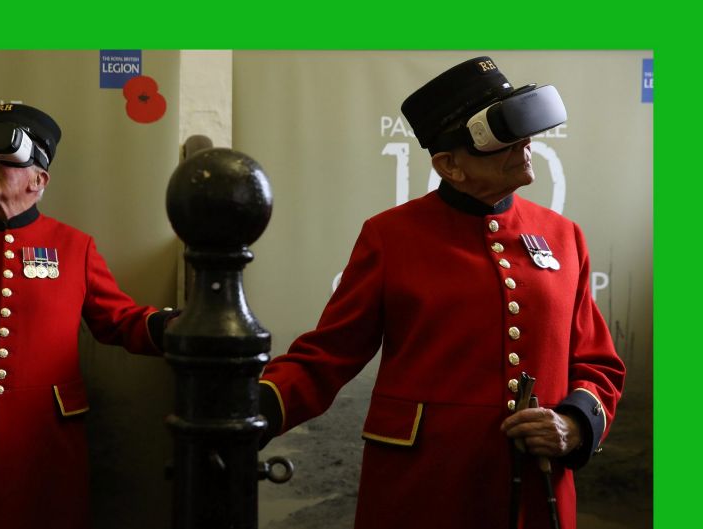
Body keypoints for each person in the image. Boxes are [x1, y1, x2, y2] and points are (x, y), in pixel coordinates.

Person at [258, 57, 626, 529]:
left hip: (535, 491)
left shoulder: (564, 236)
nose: (527, 144)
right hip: (423, 489)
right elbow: (327, 356)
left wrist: (574, 426)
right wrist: (254, 411)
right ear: (450, 165)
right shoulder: (391, 237)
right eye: (504, 140)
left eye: (524, 131)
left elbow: (598, 363)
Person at [0, 103, 176, 529]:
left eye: (3, 161)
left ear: (39, 180)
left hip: (47, 448)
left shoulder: (74, 247)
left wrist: (179, 328)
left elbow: (118, 320)